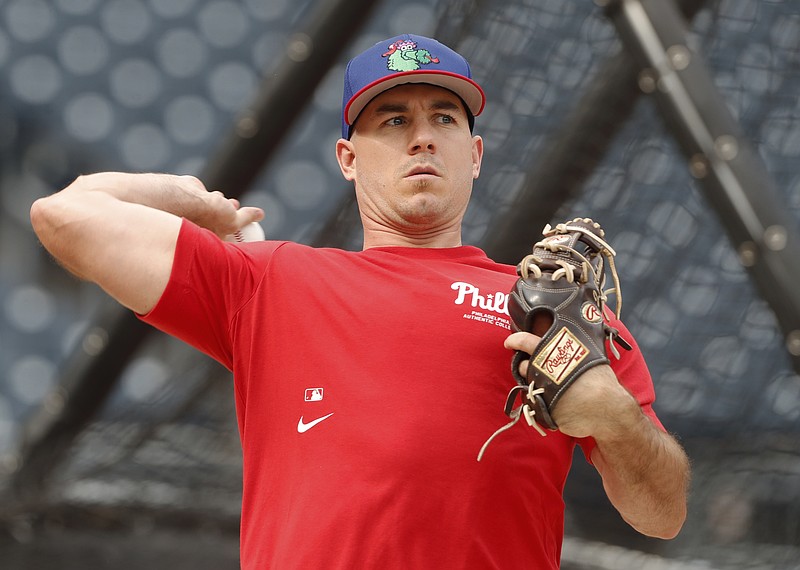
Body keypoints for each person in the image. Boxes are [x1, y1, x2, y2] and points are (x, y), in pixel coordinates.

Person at [30, 34, 689, 569]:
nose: (422, 137)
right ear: (347, 158)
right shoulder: (270, 282)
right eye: (394, 120)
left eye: (444, 118)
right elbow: (65, 216)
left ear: (476, 154)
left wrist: (616, 418)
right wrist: (184, 195)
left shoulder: (554, 312)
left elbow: (662, 514)